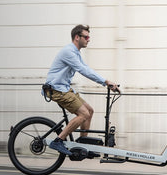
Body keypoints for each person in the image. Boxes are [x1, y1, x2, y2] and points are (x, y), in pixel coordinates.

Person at [43, 24, 119, 155]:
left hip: (64, 89)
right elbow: (83, 70)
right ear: (77, 37)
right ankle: (58, 140)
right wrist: (105, 82)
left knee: (90, 110)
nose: (89, 39)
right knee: (84, 114)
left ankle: (83, 145)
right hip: (56, 89)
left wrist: (106, 83)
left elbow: (86, 68)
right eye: (86, 36)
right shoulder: (69, 51)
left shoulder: (75, 52)